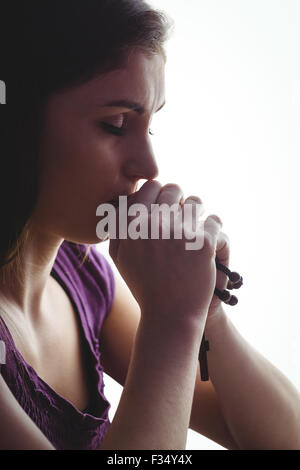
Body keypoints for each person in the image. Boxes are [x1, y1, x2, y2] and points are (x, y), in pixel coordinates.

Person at [0, 0, 300, 451]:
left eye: (150, 125)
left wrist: (205, 309)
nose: (148, 165)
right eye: (116, 125)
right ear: (16, 124)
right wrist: (171, 322)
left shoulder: (83, 278)